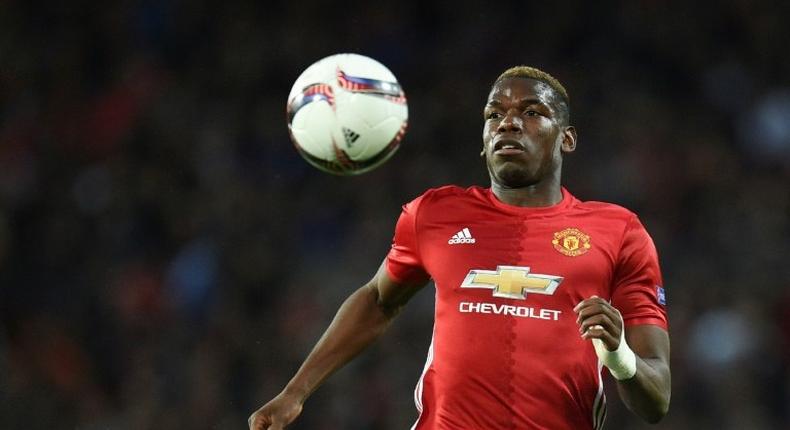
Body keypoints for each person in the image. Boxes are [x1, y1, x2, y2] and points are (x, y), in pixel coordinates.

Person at [249, 66, 671, 429]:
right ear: (483, 139)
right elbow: (378, 300)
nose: (508, 122)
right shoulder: (434, 214)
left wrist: (619, 356)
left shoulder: (618, 231)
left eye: (531, 112)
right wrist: (295, 392)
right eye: (495, 114)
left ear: (567, 139)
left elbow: (656, 400)